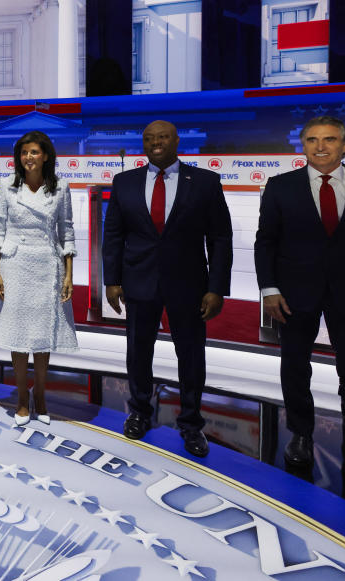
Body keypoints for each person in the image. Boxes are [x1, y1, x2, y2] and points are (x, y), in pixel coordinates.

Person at [255, 115, 345, 480]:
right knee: (294, 367)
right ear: (302, 145)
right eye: (312, 140)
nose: (320, 147)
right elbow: (266, 243)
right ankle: (300, 436)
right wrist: (269, 290)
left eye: (329, 139)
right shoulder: (279, 187)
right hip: (293, 295)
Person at [102, 120, 232, 458]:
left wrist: (217, 287)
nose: (155, 142)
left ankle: (191, 424)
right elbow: (114, 236)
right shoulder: (124, 182)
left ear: (176, 140)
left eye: (162, 137)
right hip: (138, 282)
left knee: (190, 356)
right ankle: (139, 412)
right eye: (148, 138)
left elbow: (220, 238)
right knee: (138, 352)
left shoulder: (204, 182)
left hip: (189, 285)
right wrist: (111, 281)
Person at [0, 131, 77, 426]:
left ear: (46, 156)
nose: (29, 158)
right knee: (18, 334)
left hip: (46, 266)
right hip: (15, 265)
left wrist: (68, 275)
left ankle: (40, 395)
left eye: (35, 152)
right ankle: (22, 398)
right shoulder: (7, 186)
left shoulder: (60, 188)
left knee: (42, 335)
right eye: (24, 153)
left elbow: (66, 231)